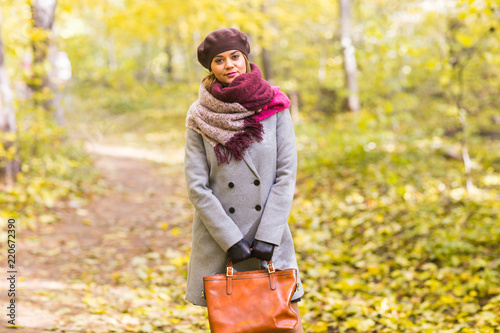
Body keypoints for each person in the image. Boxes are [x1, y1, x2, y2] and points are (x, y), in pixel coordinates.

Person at [184, 27, 305, 332]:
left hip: (269, 234)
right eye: (219, 60)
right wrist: (231, 240)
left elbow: (285, 174)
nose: (229, 65)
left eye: (235, 56)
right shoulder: (199, 115)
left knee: (285, 321)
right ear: (210, 68)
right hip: (222, 238)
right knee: (234, 323)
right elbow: (197, 186)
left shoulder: (274, 104)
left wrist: (268, 235)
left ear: (246, 58)